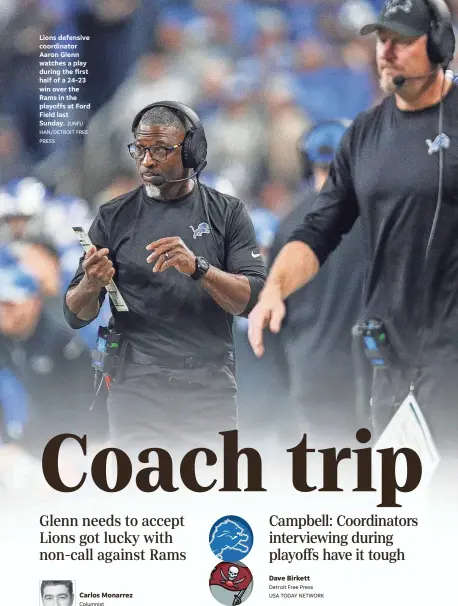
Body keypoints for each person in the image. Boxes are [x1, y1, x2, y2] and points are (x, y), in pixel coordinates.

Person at [248, 0, 458, 464]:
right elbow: (319, 228)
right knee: (401, 502)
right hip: (388, 358)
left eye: (403, 41)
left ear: (441, 45)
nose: (387, 51)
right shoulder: (365, 134)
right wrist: (275, 290)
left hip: (450, 350)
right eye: (382, 39)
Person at [64, 101, 266, 450]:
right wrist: (91, 282)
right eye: (139, 149)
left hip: (209, 387)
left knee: (207, 495)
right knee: (143, 498)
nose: (146, 160)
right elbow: (75, 314)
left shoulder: (227, 213)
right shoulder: (113, 216)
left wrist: (199, 269)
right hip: (137, 388)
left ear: (191, 150)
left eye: (160, 149)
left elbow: (254, 301)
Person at [267, 120, 364, 445]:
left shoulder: (287, 224)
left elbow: (272, 317)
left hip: (310, 371)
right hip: (366, 373)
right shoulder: (376, 216)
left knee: (329, 478)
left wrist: (292, 372)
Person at [0, 260, 107, 456]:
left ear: (33, 302)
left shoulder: (63, 340)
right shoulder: (5, 340)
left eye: (9, 304)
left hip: (75, 438)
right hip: (32, 434)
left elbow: (88, 399)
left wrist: (87, 445)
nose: (2, 312)